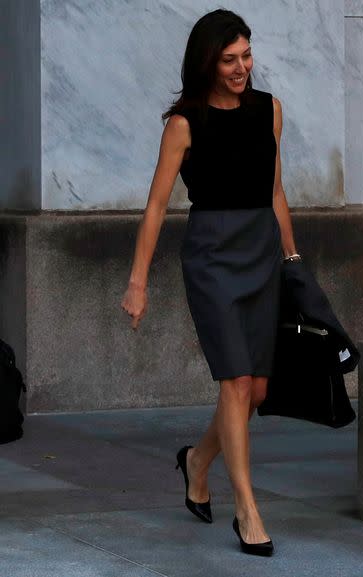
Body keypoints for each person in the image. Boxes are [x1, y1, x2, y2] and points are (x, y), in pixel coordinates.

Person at [121, 9, 298, 557]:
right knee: (236, 381)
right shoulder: (184, 122)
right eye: (229, 59)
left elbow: (274, 193)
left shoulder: (270, 110)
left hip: (261, 252)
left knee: (258, 391)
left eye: (246, 55)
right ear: (208, 62)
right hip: (212, 257)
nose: (242, 67)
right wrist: (137, 282)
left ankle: (197, 460)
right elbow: (155, 206)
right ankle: (247, 508)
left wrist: (293, 260)